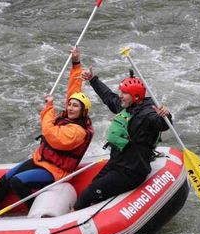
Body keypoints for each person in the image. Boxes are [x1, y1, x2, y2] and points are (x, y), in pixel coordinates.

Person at [0, 47, 94, 217]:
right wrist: (76, 63)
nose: (70, 108)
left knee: (17, 181)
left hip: (55, 171)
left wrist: (49, 107)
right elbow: (74, 89)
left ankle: (36, 212)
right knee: (6, 178)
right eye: (70, 104)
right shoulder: (71, 116)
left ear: (83, 111)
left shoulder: (77, 131)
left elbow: (51, 134)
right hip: (40, 160)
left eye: (75, 106)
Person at [73, 67, 171, 210]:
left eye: (124, 93)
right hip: (116, 163)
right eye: (121, 92)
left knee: (85, 197)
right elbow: (108, 97)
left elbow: (162, 124)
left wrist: (166, 115)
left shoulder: (148, 115)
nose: (120, 95)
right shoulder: (127, 106)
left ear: (136, 97)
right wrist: (93, 80)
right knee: (94, 185)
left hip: (131, 172)